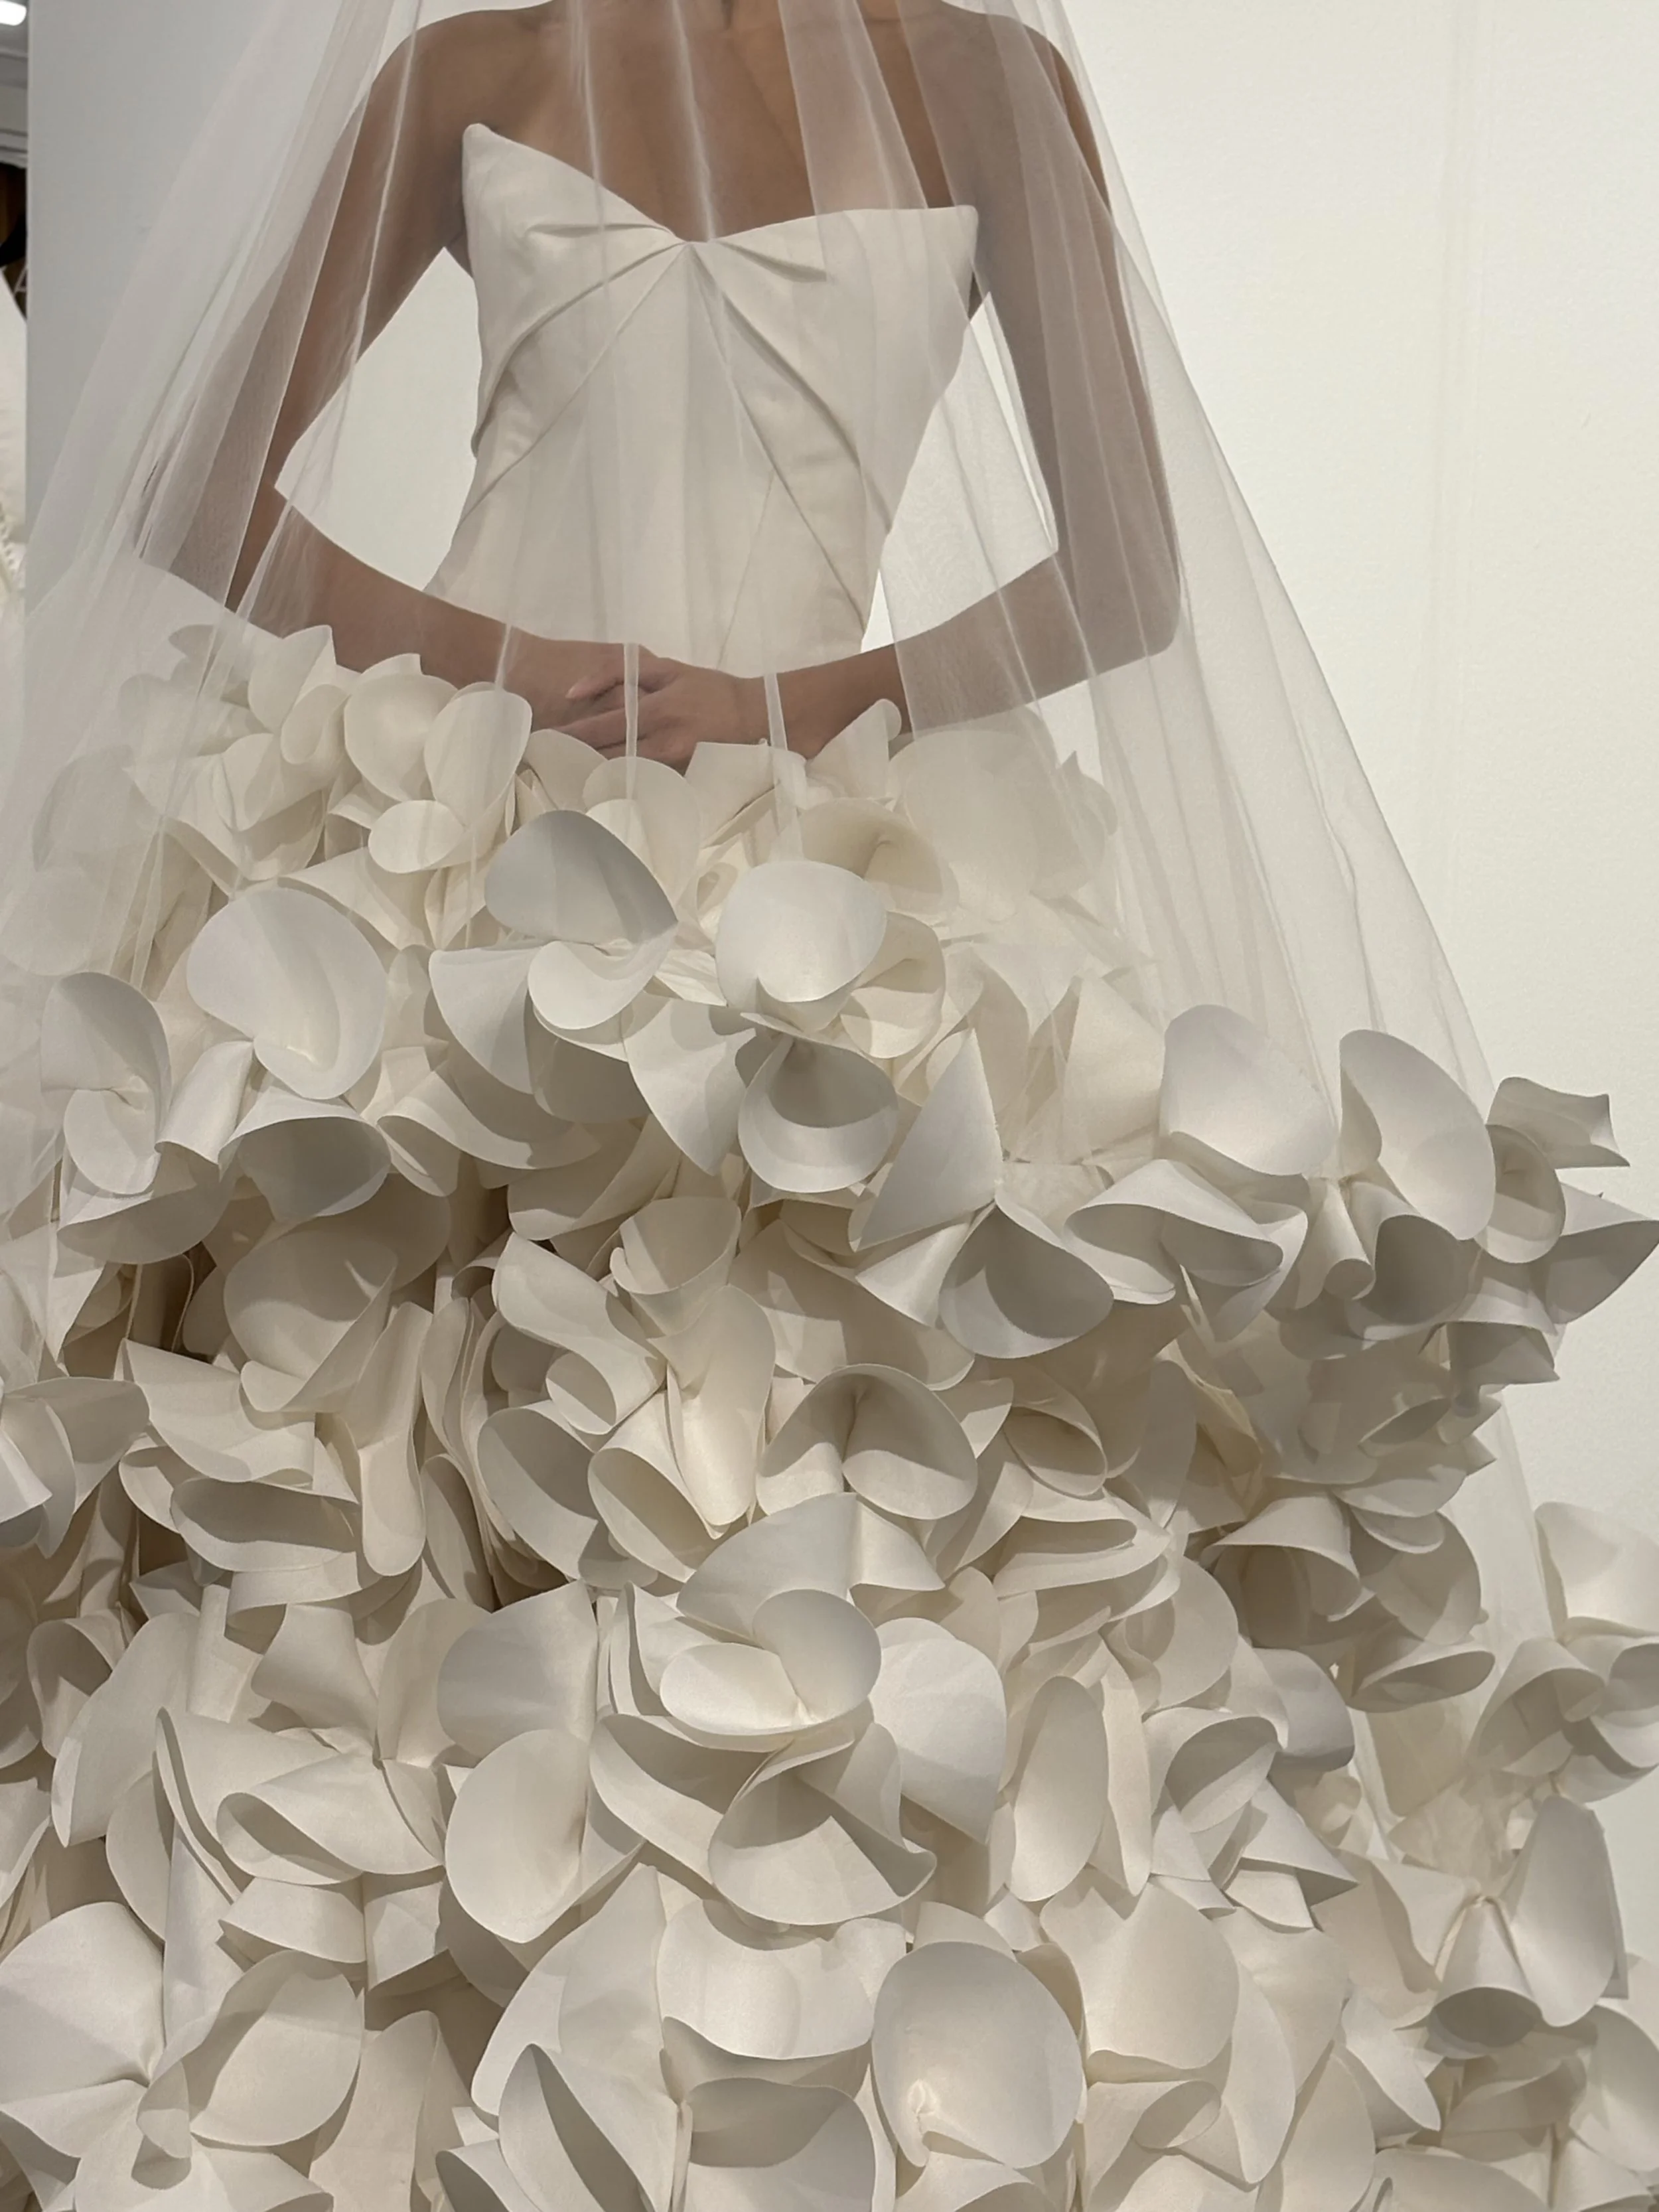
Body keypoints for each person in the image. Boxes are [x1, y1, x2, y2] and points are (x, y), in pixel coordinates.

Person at [1, 3, 1656, 2206]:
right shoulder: (470, 68)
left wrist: (819, 694)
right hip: (464, 872)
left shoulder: (983, 84)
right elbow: (201, 484)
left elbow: (1129, 567)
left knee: (838, 1507)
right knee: (406, 1511)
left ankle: (794, 2092)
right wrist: (488, 660)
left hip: (829, 889)